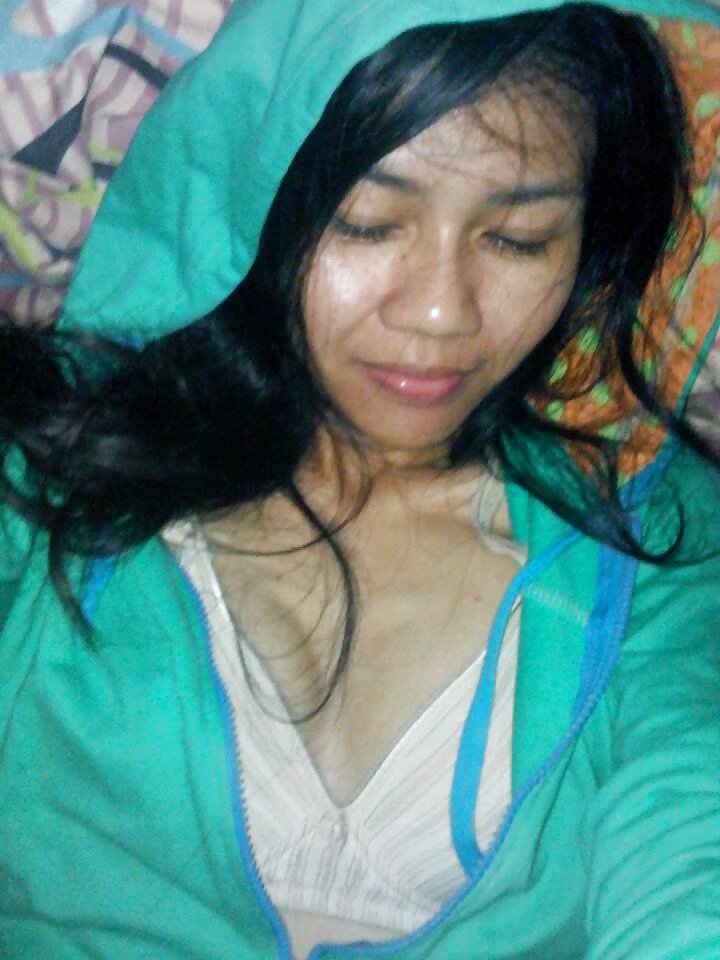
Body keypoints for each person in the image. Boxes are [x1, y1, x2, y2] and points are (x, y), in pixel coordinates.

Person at [1, 1, 720, 958]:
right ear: (255, 197)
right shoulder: (47, 466)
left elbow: (692, 845)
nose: (439, 314)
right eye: (368, 224)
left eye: (517, 240)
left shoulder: (659, 535)